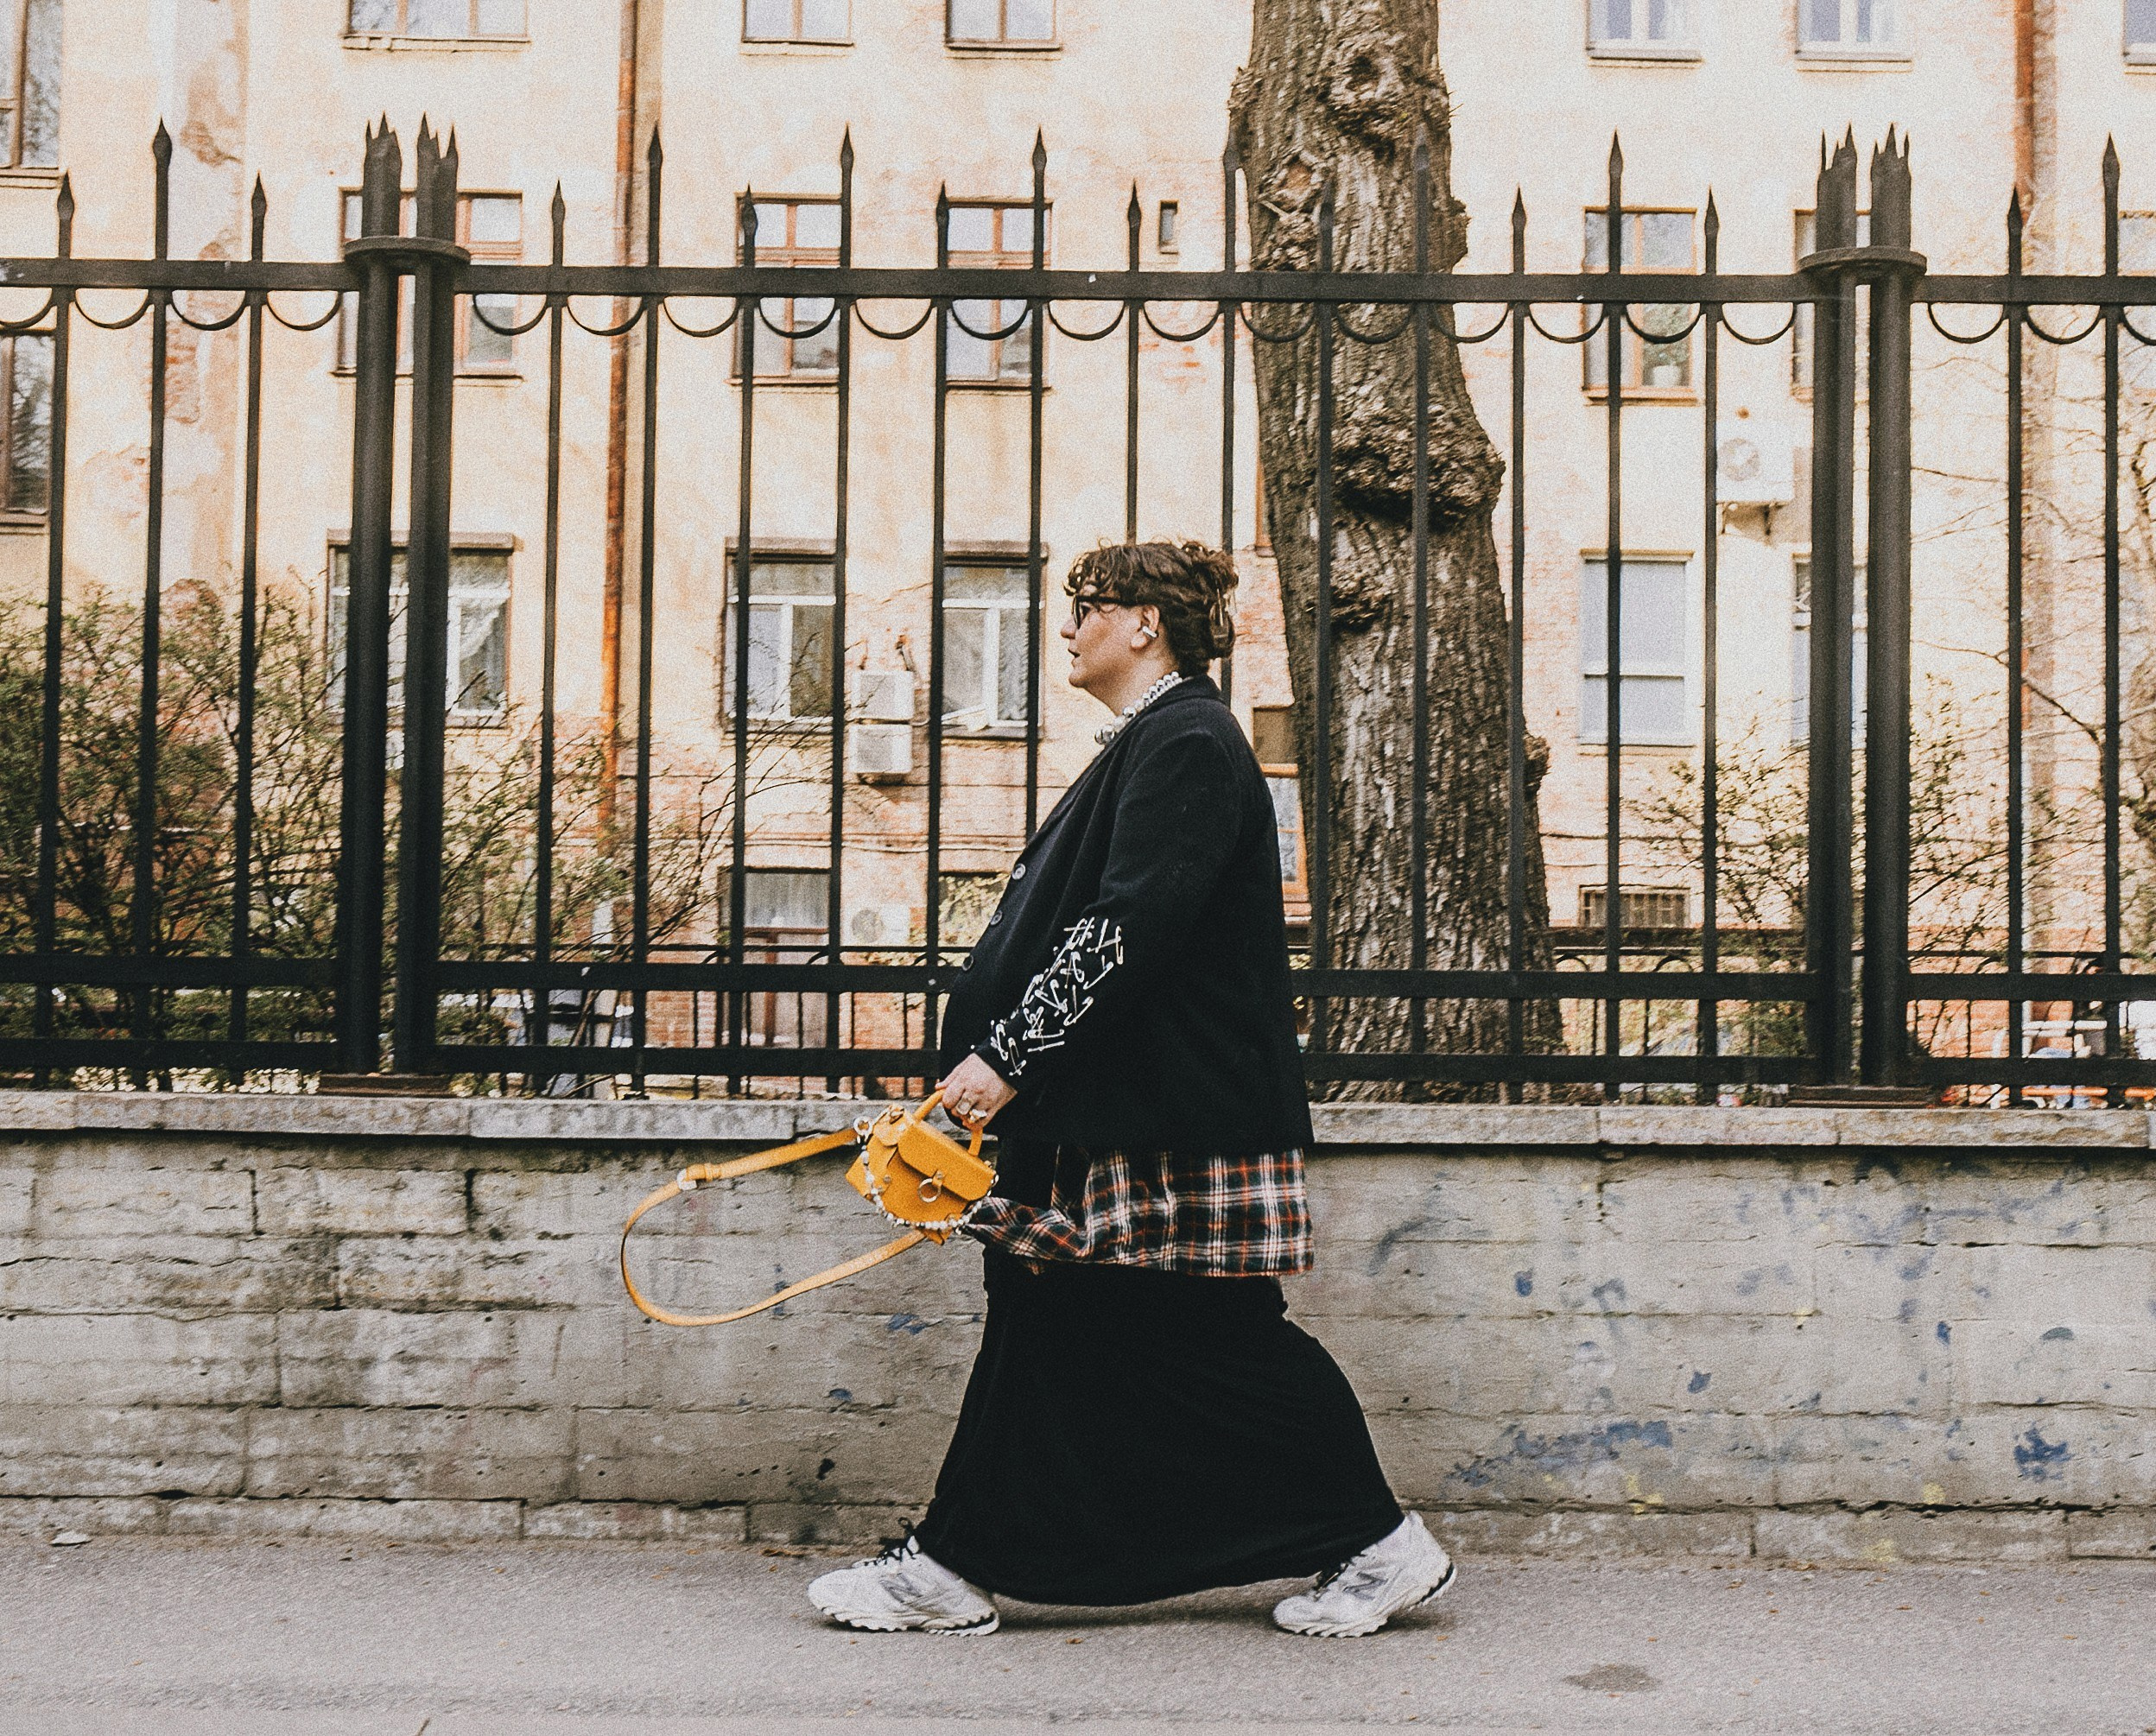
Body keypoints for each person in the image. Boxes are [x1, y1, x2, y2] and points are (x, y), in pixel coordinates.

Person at [807, 540, 1454, 1638]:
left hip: (1167, 1118)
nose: (1066, 627)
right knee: (1060, 1322)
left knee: (1209, 1338)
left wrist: (1008, 1055)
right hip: (1126, 1112)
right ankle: (958, 1563)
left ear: (1146, 621)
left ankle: (1374, 1541)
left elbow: (1124, 926)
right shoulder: (1161, 740)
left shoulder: (1190, 741)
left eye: (1083, 607)